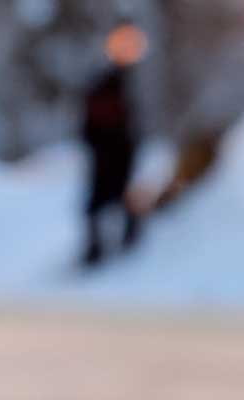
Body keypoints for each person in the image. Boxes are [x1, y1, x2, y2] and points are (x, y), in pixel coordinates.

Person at [80, 23, 147, 267]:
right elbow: (96, 121)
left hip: (116, 154)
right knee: (102, 201)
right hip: (108, 154)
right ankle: (96, 250)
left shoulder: (122, 82)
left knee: (118, 199)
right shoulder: (108, 83)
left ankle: (123, 246)